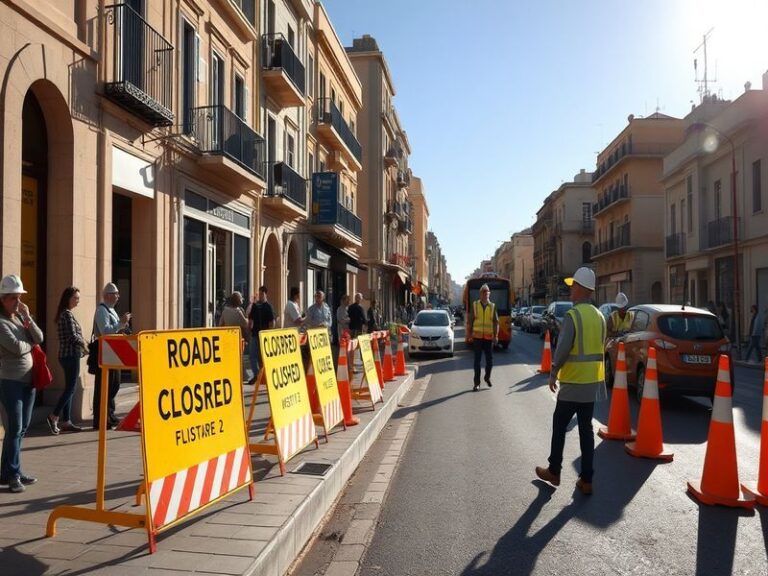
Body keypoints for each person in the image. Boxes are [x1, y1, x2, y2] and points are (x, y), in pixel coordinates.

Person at [536, 266, 606, 496]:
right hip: (592, 384)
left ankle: (554, 471)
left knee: (559, 425)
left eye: (573, 286)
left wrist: (553, 372)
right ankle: (587, 480)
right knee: (586, 431)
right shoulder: (600, 316)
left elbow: (563, 349)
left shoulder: (573, 315)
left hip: (573, 383)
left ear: (582, 289)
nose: (570, 290)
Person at [0, 274, 44, 493]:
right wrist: (29, 341)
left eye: (19, 298)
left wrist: (28, 318)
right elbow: (16, 347)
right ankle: (13, 474)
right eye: (13, 298)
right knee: (15, 427)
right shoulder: (1, 323)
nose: (18, 302)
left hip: (28, 380)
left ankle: (8, 472)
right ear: (2, 299)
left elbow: (40, 337)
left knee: (21, 427)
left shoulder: (20, 318)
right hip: (10, 381)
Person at [48, 287, 87, 435]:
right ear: (68, 298)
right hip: (70, 356)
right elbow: (72, 336)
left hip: (67, 355)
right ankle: (54, 416)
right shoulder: (67, 315)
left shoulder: (65, 314)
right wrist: (85, 346)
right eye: (75, 297)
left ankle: (66, 421)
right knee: (70, 388)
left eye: (78, 297)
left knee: (70, 388)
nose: (78, 300)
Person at [92, 282, 131, 430]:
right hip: (106, 353)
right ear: (108, 295)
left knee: (114, 384)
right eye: (116, 294)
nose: (118, 296)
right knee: (104, 386)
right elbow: (105, 331)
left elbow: (115, 329)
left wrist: (123, 325)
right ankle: (101, 418)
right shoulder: (102, 310)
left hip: (114, 353)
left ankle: (110, 415)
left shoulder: (111, 310)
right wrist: (120, 324)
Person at [467, 283, 498, 391]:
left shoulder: (492, 306)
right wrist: (469, 334)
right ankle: (477, 383)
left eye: (487, 292)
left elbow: (495, 322)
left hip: (489, 338)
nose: (485, 294)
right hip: (477, 337)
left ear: (489, 294)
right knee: (477, 361)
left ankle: (487, 377)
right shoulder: (475, 305)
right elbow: (470, 321)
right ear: (480, 294)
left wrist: (496, 335)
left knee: (490, 361)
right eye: (483, 292)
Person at [247, 286, 275, 385]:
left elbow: (272, 322)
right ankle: (256, 374)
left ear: (265, 294)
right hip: (255, 334)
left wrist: (269, 333)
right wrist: (249, 329)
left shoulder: (268, 306)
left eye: (262, 294)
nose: (260, 296)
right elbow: (250, 319)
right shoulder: (255, 306)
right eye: (259, 294)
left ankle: (266, 376)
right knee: (252, 355)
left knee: (263, 356)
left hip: (264, 335)